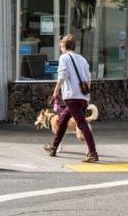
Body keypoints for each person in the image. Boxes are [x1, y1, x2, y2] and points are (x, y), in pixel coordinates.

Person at [45, 34, 98, 163]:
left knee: (81, 124)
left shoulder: (64, 58)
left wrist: (56, 91)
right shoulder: (82, 59)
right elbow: (88, 78)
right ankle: (54, 147)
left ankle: (93, 153)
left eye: (61, 46)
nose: (60, 48)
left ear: (64, 46)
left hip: (72, 96)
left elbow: (62, 76)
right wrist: (86, 95)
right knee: (63, 121)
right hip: (83, 97)